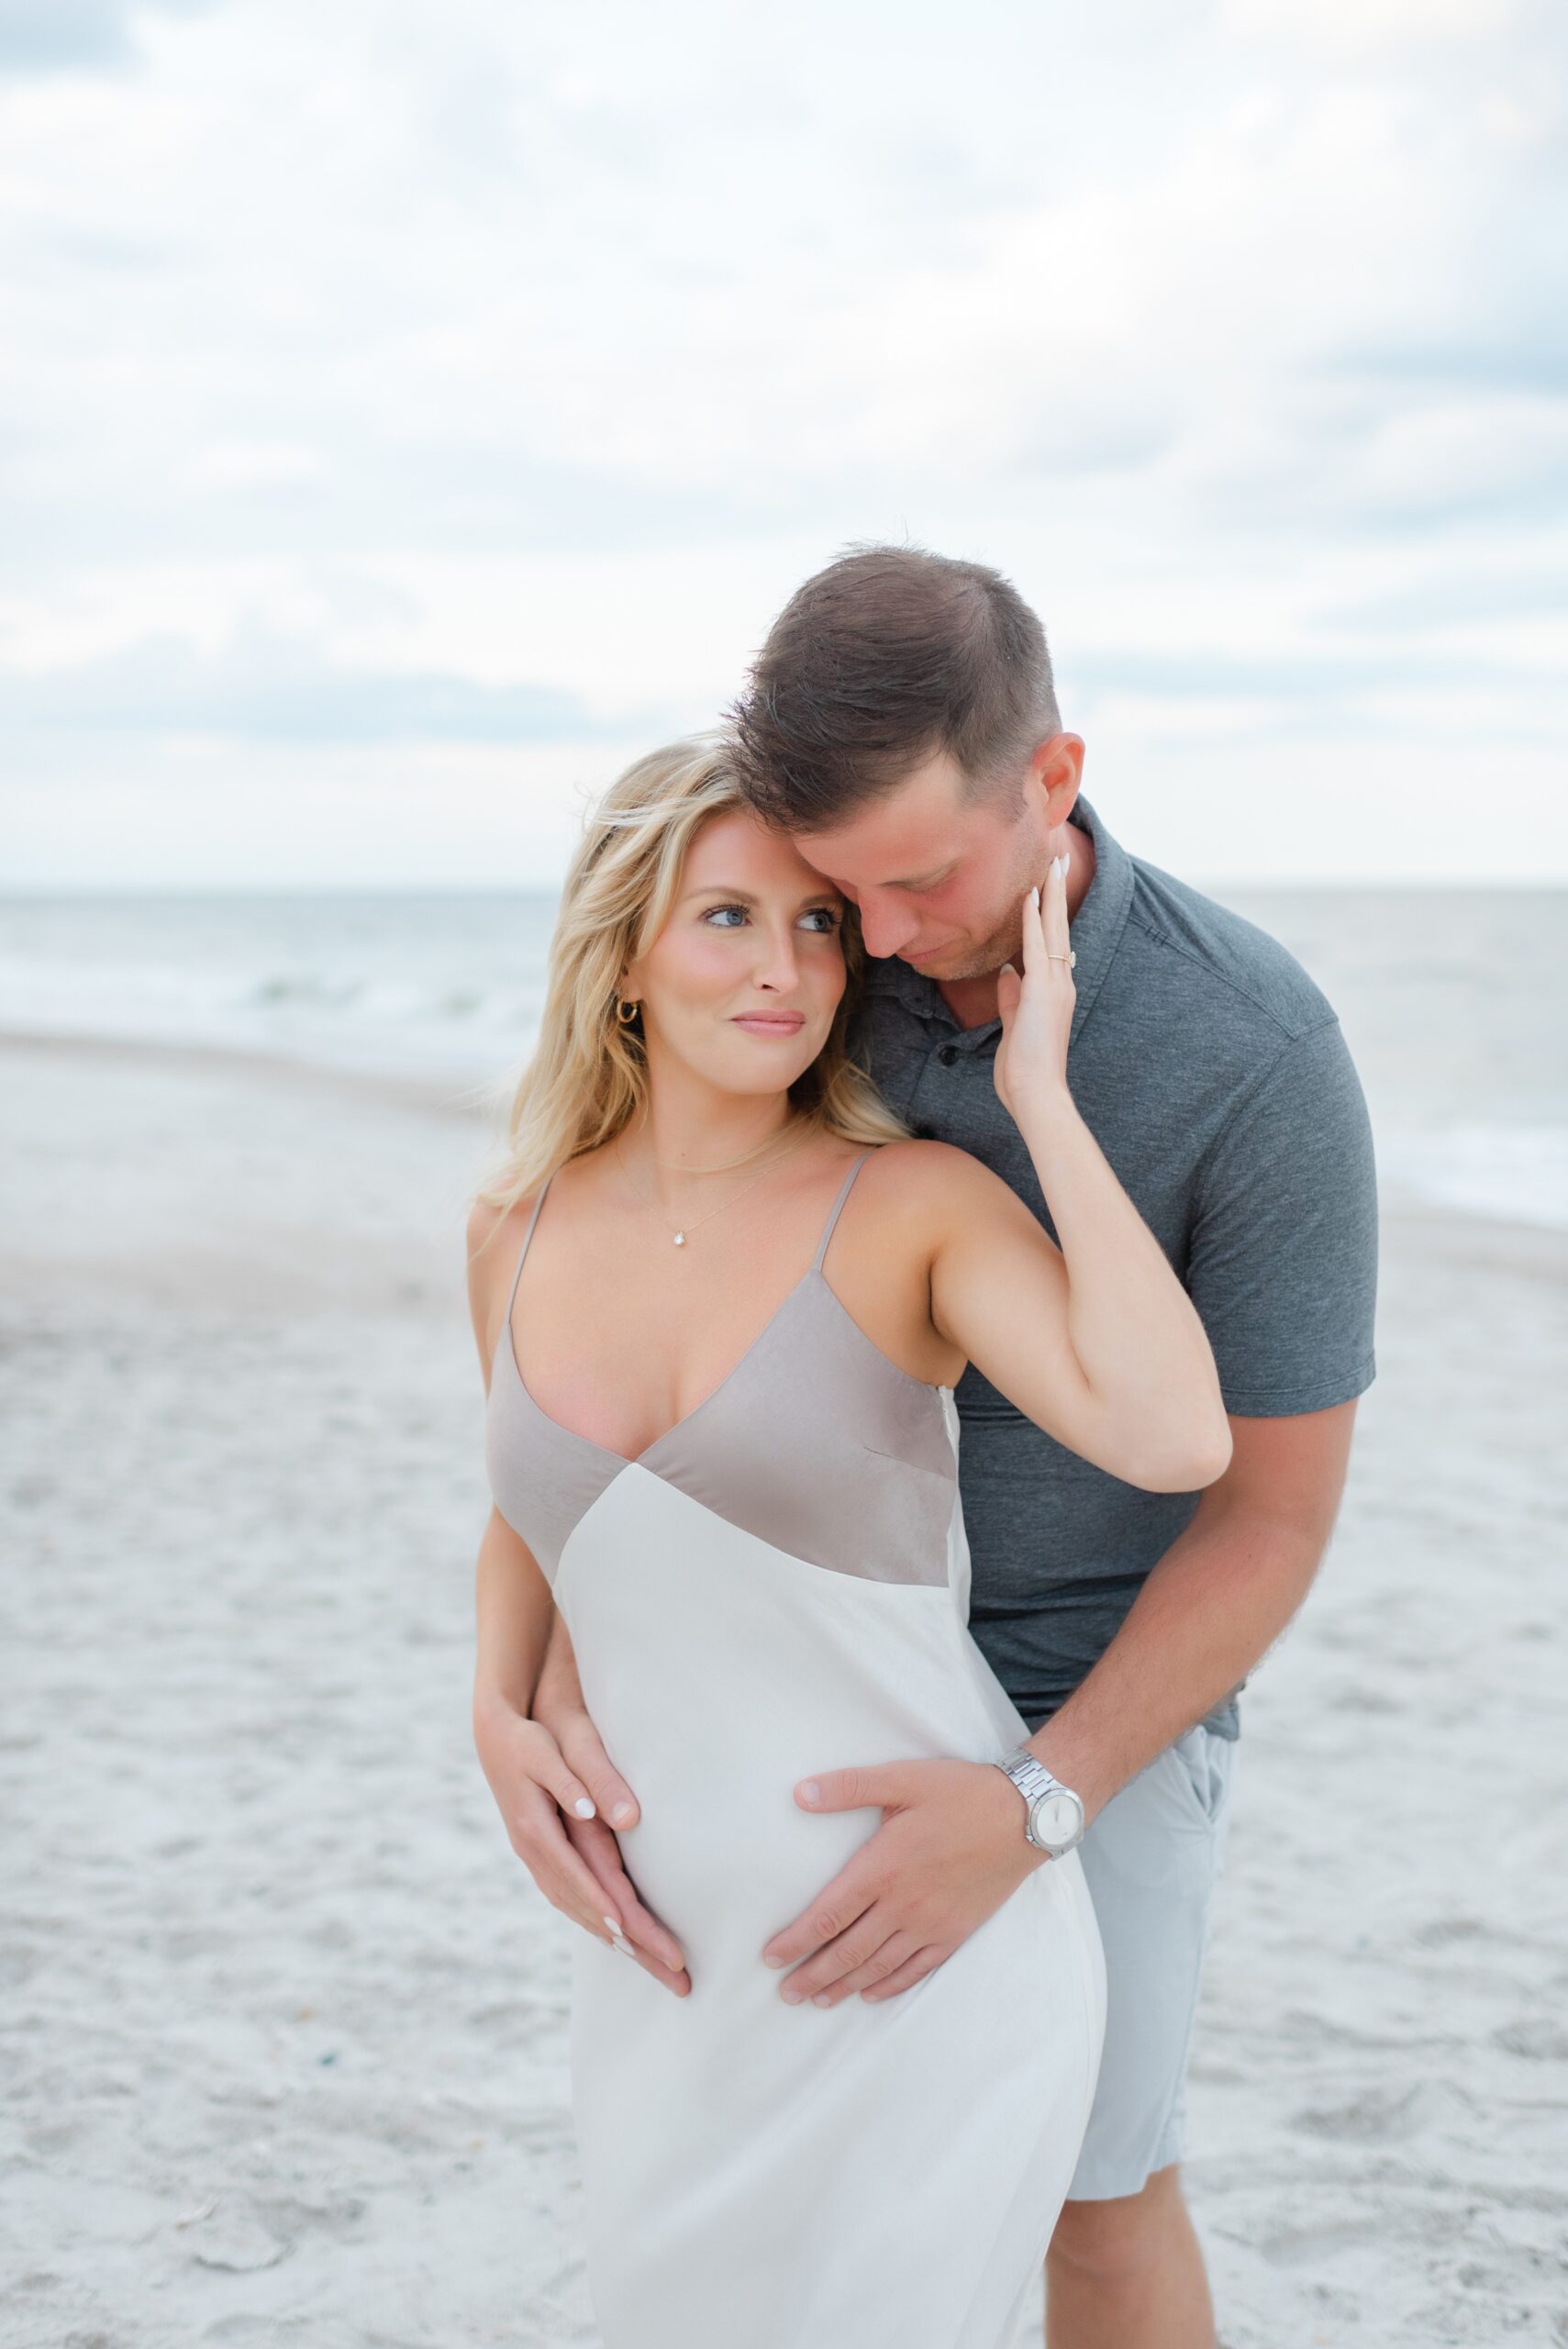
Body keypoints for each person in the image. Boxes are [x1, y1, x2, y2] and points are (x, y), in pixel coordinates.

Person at [529, 548, 1381, 2349]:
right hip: (796, 1696)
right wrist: (501, 1693)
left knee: (1091, 2184)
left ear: (1052, 780)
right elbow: (583, 1364)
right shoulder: (816, 964)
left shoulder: (1254, 1048)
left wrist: (1038, 1797)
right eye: (834, 893)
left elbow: (1273, 1512)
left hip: (1094, 1692)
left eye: (916, 880)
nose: (878, 946)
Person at [466, 733, 1234, 2349]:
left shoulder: (914, 1205)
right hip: (673, 1973)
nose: (789, 968)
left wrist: (1043, 1099)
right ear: (620, 956)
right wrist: (495, 1705)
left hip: (919, 1948)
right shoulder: (512, 1227)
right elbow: (537, 1511)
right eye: (729, 918)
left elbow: (1176, 1438)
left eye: (818, 924)